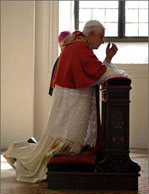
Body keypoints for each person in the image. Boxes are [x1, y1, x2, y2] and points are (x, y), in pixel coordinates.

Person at [3, 20, 128, 183]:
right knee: (65, 141)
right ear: (90, 34)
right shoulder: (80, 48)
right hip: (73, 102)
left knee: (65, 138)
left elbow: (96, 72)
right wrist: (109, 58)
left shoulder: (78, 45)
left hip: (72, 100)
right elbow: (99, 75)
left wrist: (107, 60)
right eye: (101, 37)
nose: (103, 41)